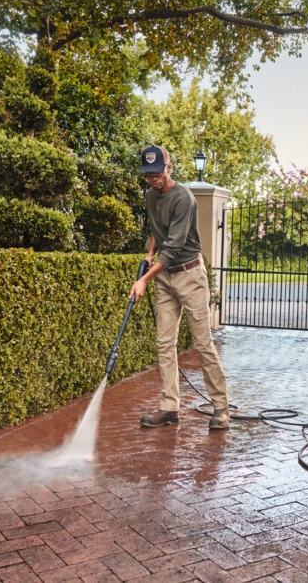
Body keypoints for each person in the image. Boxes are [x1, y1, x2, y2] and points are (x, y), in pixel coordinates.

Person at [130, 145, 230, 430]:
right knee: (163, 344)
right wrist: (149, 254)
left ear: (169, 168)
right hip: (165, 277)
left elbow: (173, 246)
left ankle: (221, 407)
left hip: (189, 275)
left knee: (202, 344)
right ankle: (169, 407)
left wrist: (144, 280)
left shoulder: (184, 198)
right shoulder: (150, 196)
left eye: (158, 172)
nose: (153, 178)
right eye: (148, 174)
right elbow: (156, 230)